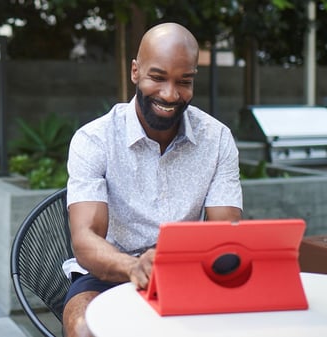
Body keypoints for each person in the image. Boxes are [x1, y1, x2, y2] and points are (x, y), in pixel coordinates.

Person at [62, 22, 243, 337]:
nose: (170, 94)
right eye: (157, 78)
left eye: (183, 81)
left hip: (188, 272)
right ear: (135, 72)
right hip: (107, 273)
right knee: (84, 329)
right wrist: (134, 267)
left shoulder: (217, 139)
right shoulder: (94, 139)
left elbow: (224, 235)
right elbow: (85, 239)